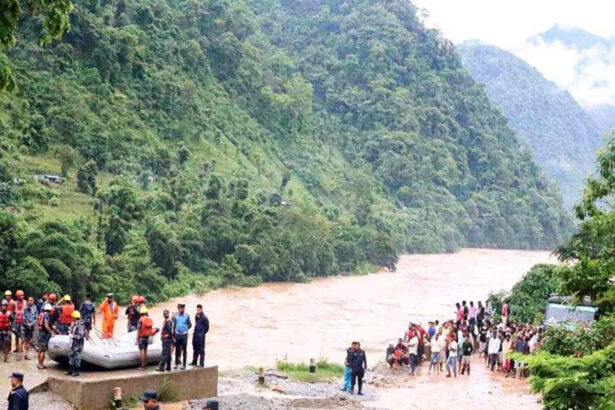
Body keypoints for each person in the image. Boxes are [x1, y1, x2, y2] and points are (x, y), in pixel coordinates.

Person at [67, 311, 88, 377]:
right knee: (71, 355)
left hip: (78, 343)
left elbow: (81, 335)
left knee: (77, 356)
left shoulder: (80, 325)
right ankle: (71, 370)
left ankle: (76, 371)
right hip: (73, 342)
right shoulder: (75, 324)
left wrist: (73, 336)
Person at [172, 303, 191, 370]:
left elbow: (190, 324)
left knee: (184, 350)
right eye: (180, 308)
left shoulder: (187, 316)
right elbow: (174, 324)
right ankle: (176, 364)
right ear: (178, 309)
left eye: (182, 308)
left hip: (184, 335)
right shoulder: (176, 316)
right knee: (177, 350)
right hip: (177, 335)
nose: (181, 309)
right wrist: (173, 335)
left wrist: (185, 328)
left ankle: (184, 364)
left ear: (184, 308)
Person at [37, 303, 55, 369]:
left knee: (40, 350)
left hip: (40, 333)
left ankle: (39, 363)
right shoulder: (47, 316)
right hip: (44, 334)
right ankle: (40, 364)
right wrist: (51, 332)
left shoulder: (41, 314)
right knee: (43, 350)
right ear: (49, 310)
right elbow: (46, 325)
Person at [20, 297, 37, 361]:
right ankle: (19, 355)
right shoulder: (25, 308)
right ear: (27, 301)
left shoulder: (35, 308)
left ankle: (26, 355)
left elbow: (36, 317)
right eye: (29, 300)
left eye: (31, 300)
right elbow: (23, 317)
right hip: (24, 326)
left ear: (33, 301)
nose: (30, 301)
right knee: (22, 340)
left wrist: (32, 324)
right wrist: (27, 323)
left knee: (28, 341)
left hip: (31, 327)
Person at [12, 290, 25, 355]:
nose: (22, 297)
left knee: (22, 335)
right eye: (20, 296)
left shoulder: (25, 302)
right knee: (16, 335)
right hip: (16, 321)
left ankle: (21, 348)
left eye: (22, 295)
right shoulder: (14, 303)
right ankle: (17, 348)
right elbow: (13, 312)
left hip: (23, 321)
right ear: (18, 296)